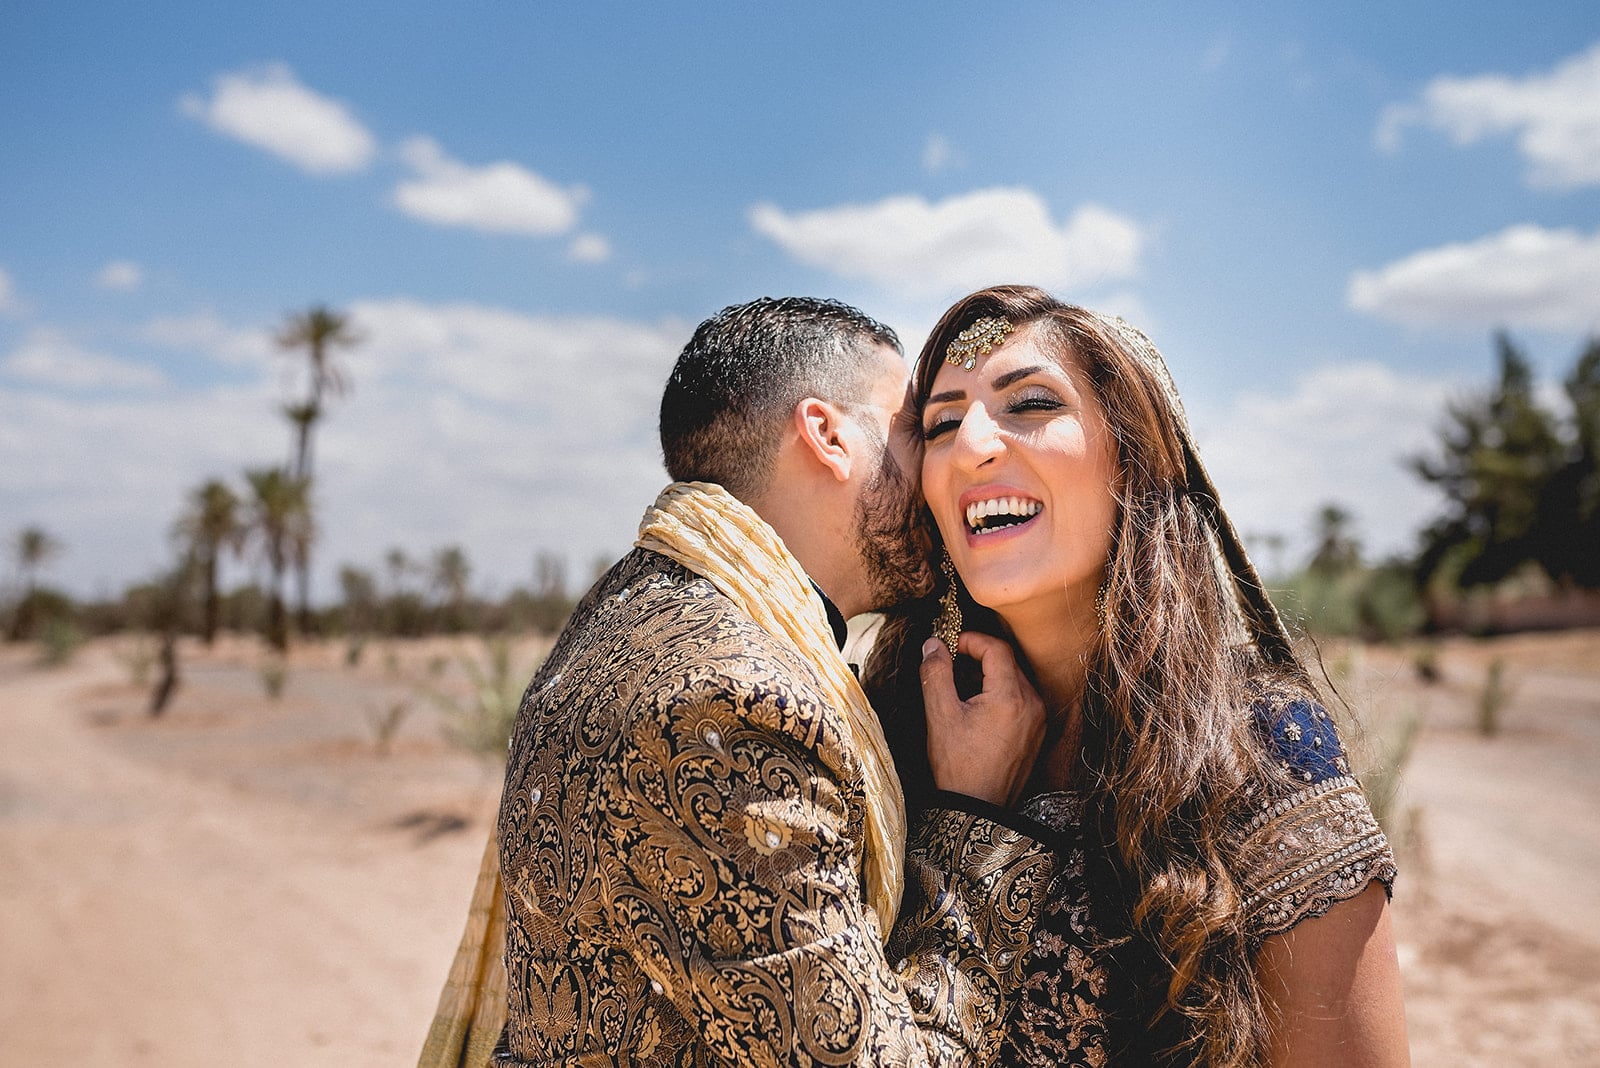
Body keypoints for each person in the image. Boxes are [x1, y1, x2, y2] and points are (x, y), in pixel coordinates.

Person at [420, 296, 1061, 1067]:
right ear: (827, 435)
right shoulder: (733, 701)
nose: (938, 469)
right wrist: (975, 819)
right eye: (911, 428)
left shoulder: (621, 614)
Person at [863, 286, 1409, 1067]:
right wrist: (964, 815)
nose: (972, 443)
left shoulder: (1258, 754)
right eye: (942, 422)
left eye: (1029, 403)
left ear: (1139, 458)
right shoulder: (883, 729)